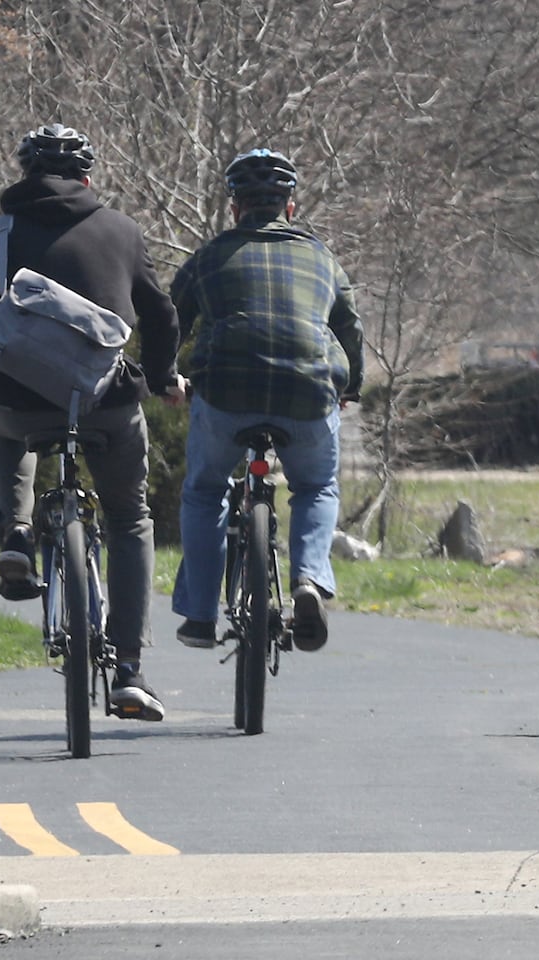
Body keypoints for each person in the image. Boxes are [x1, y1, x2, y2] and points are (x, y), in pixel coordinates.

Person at [0, 123, 183, 721]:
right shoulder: (122, 231)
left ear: (25, 174)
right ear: (87, 177)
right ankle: (129, 667)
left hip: (21, 398)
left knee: (4, 420)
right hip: (105, 400)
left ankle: (19, 531)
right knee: (130, 520)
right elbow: (160, 313)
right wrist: (160, 378)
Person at [169, 148, 364, 653]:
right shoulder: (322, 257)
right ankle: (307, 580)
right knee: (317, 485)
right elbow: (350, 326)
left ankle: (198, 614)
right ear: (290, 207)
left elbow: (171, 316)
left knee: (205, 490)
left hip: (225, 394)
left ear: (234, 208)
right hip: (307, 396)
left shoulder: (210, 256)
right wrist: (353, 386)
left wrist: (164, 375)